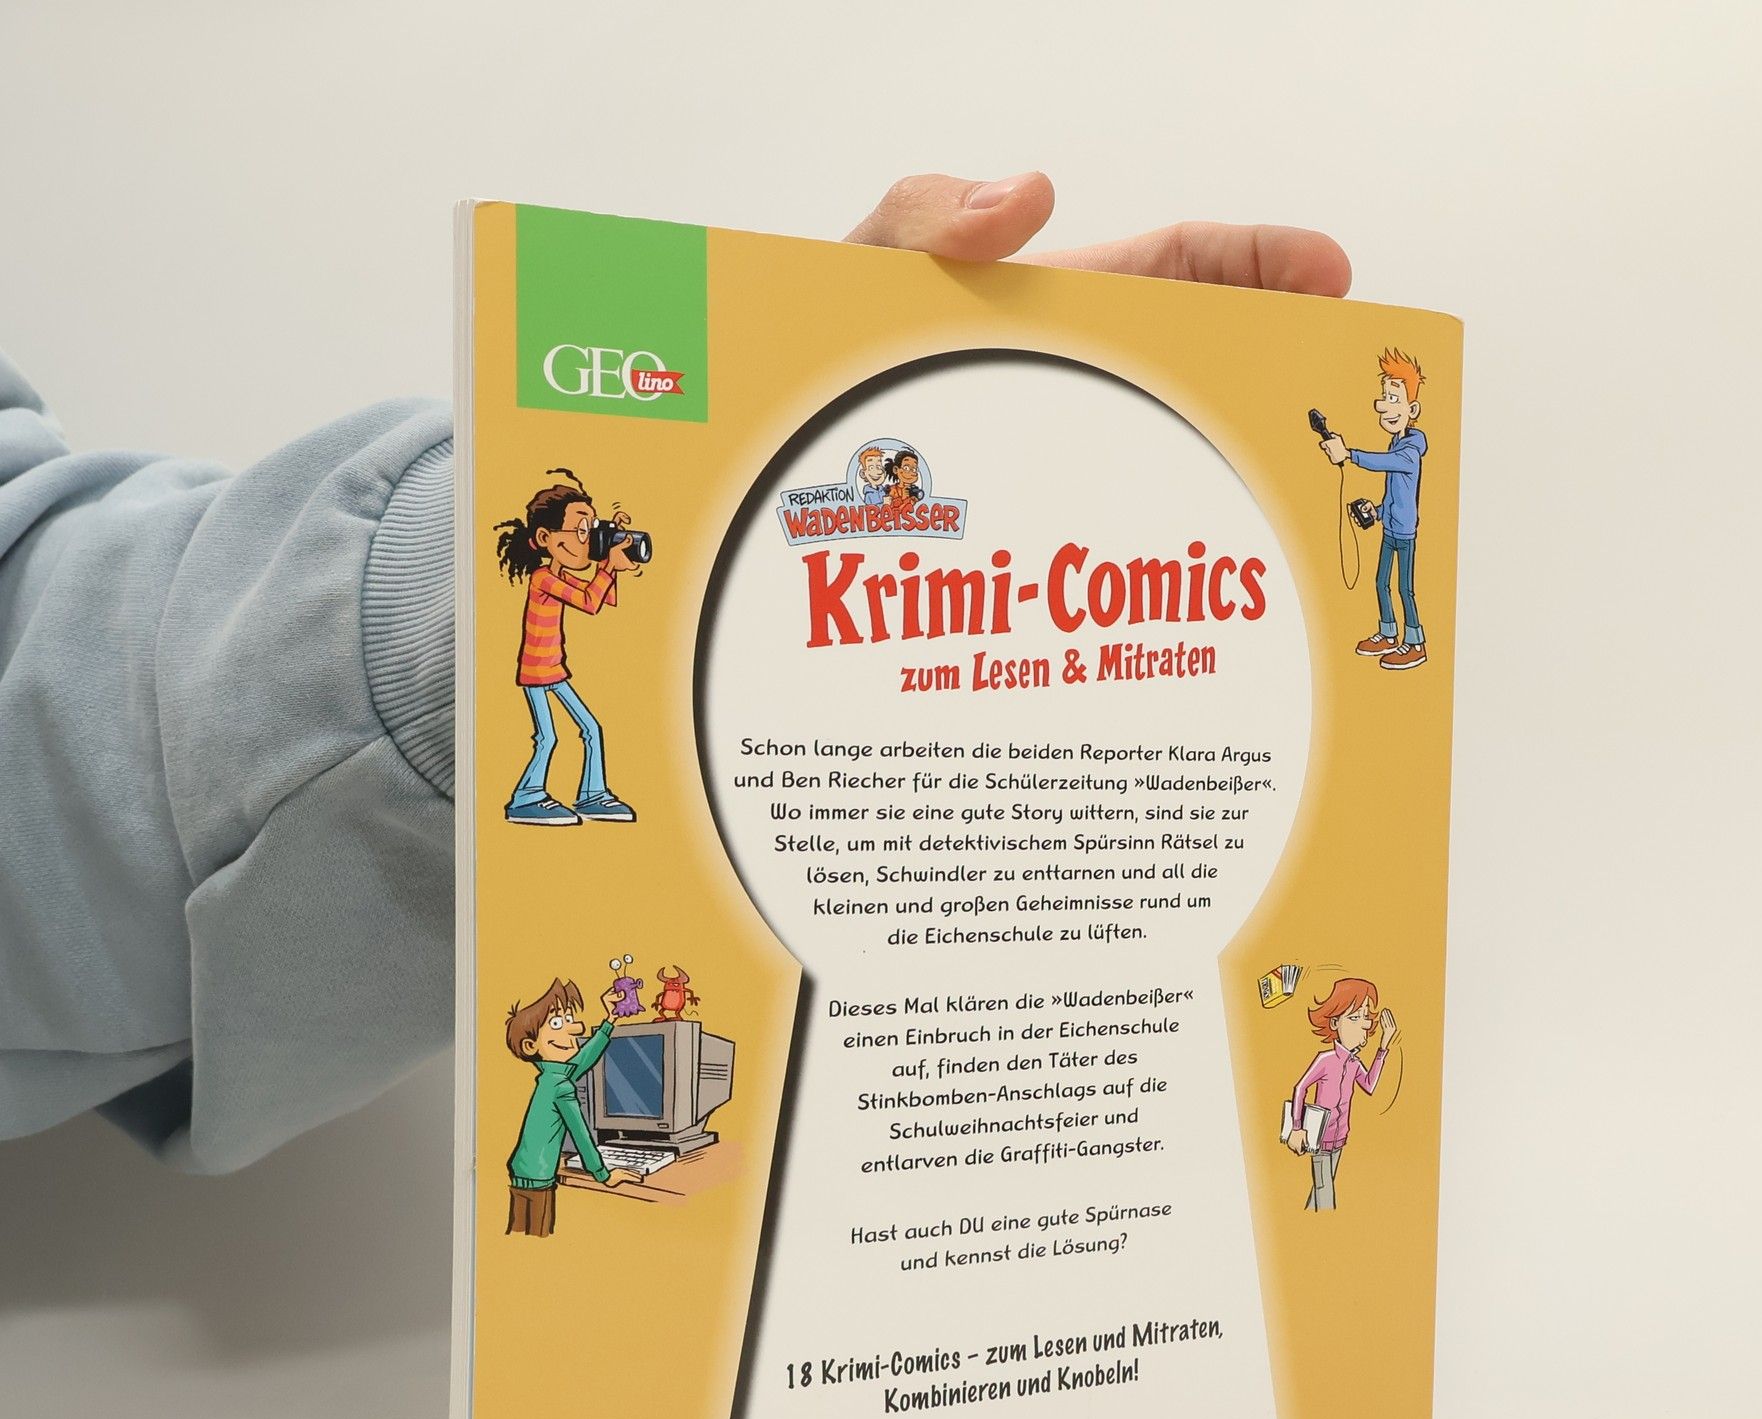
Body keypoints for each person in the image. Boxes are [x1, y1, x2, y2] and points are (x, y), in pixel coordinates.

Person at [0, 172, 1350, 1173]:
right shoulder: (553, 582)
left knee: (574, 740)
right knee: (569, 739)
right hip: (532, 678)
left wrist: (706, 537)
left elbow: (38, 627)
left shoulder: (572, 578)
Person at [493, 470, 639, 827]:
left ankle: (592, 794)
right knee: (548, 737)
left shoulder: (562, 576)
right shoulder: (543, 578)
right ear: (546, 537)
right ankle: (526, 798)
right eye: (581, 530)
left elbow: (605, 600)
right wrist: (608, 568)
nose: (587, 541)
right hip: (536, 671)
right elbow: (589, 602)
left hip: (555, 670)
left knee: (592, 729)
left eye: (591, 530)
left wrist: (610, 562)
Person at [1317, 348, 1429, 670]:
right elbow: (1396, 492)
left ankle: (1415, 643)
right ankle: (1389, 633)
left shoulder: (1409, 452)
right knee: (1381, 582)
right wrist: (1377, 511)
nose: (1385, 406)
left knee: (1405, 588)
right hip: (1389, 527)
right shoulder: (1396, 443)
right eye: (1385, 397)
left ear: (1412, 409)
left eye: (1394, 399)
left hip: (1404, 533)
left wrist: (1349, 454)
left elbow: (1385, 464)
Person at [503, 979, 639, 1236]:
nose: (575, 1029)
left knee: (520, 1232)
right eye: (557, 1023)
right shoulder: (561, 1086)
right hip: (538, 1178)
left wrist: (609, 1021)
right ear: (531, 1046)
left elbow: (582, 1061)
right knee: (535, 1236)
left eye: (569, 1019)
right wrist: (604, 1175)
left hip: (522, 1170)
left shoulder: (551, 1077)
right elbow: (581, 1135)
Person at [1285, 977, 1397, 1211]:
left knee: (1322, 1187)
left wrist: (1383, 1047)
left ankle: (1311, 1219)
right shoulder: (1325, 1060)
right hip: (1318, 1137)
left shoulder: (1354, 1063)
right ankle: (1324, 1226)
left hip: (1340, 1137)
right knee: (1325, 1190)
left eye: (1365, 1018)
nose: (1363, 1025)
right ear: (1335, 1022)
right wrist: (1296, 1127)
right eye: (1354, 1018)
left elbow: (1369, 1085)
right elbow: (1300, 1088)